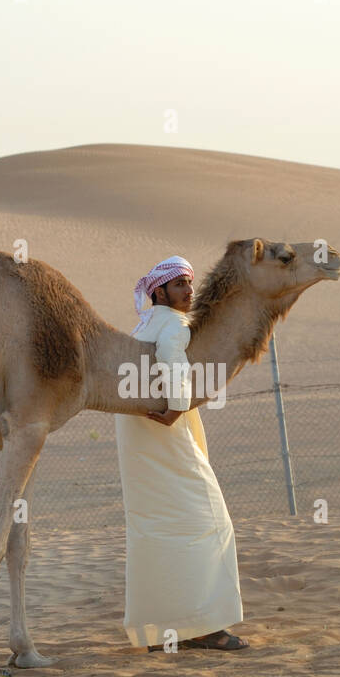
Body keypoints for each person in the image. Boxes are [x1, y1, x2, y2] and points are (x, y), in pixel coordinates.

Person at [115, 256, 249, 653]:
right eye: (179, 286)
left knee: (156, 526)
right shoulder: (174, 325)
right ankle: (206, 627)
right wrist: (176, 407)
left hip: (139, 433)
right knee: (209, 521)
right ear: (159, 291)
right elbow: (173, 364)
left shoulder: (144, 324)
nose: (188, 292)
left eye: (190, 285)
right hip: (164, 428)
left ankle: (164, 629)